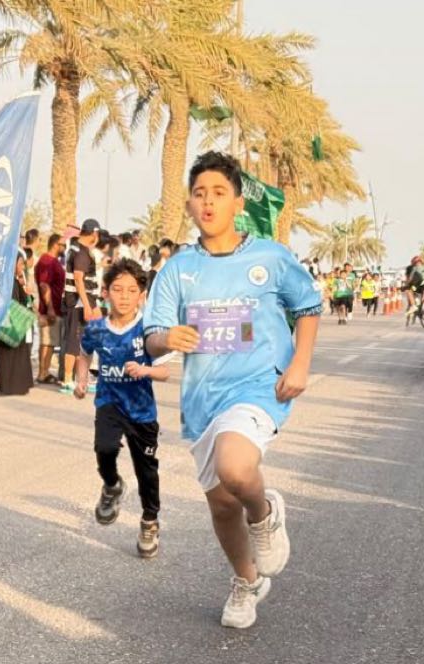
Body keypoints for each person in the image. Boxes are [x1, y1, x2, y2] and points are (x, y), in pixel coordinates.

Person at [144, 150, 321, 630]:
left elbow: (308, 307)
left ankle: (264, 516)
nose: (208, 202)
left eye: (219, 193)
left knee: (236, 466)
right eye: (199, 193)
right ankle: (247, 581)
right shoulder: (178, 269)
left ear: (238, 203)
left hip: (259, 387)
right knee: (222, 505)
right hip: (203, 398)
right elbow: (152, 334)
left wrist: (301, 363)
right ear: (189, 205)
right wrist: (168, 338)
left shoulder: (270, 257)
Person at [74, 260, 170, 557]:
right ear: (105, 292)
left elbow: (165, 372)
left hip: (142, 411)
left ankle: (149, 520)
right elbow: (83, 354)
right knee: (104, 449)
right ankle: (112, 485)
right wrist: (80, 380)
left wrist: (145, 370)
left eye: (131, 290)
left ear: (142, 295)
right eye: (117, 289)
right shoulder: (96, 329)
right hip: (109, 403)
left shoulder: (149, 330)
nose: (124, 296)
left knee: (146, 471)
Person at [59, 220, 102, 393]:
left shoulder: (79, 249)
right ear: (94, 233)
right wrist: (86, 305)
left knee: (85, 340)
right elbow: (78, 279)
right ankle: (68, 379)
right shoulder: (80, 252)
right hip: (78, 302)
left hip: (87, 300)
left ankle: (81, 377)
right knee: (74, 341)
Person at [0, 252, 34, 396]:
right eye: (21, 264)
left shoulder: (15, 281)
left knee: (19, 355)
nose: (22, 267)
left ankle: (18, 386)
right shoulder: (7, 282)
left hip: (17, 323)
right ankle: (9, 387)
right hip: (10, 323)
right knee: (9, 356)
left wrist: (25, 289)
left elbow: (25, 300)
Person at [34, 233, 66, 384]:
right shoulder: (47, 261)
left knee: (50, 342)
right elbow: (44, 285)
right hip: (49, 310)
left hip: (55, 308)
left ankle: (45, 372)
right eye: (63, 245)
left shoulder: (53, 261)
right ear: (55, 245)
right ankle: (43, 373)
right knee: (47, 342)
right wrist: (50, 308)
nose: (64, 248)